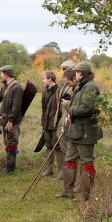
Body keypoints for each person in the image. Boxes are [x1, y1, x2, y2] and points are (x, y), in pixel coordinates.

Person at [55, 61, 101, 201]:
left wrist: (71, 109)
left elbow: (88, 108)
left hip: (86, 132)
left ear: (81, 73)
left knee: (87, 162)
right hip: (75, 131)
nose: (75, 75)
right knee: (69, 160)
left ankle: (84, 195)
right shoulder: (80, 86)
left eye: (76, 72)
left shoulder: (91, 87)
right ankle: (67, 191)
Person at [0, 65, 24, 173]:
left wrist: (11, 120)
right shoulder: (5, 86)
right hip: (5, 120)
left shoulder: (17, 87)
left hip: (12, 121)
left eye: (2, 73)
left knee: (12, 143)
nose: (0, 75)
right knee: (7, 142)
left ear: (7, 74)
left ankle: (11, 167)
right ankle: (8, 166)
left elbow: (16, 106)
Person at [53, 67, 76, 180]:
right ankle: (64, 174)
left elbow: (73, 107)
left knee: (69, 151)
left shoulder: (74, 88)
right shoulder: (64, 87)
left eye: (66, 69)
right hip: (61, 121)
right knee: (63, 150)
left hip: (69, 123)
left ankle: (70, 177)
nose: (63, 72)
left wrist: (66, 103)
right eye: (63, 69)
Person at [40, 71, 62, 176]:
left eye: (44, 78)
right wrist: (43, 122)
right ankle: (49, 170)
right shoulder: (44, 92)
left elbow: (61, 109)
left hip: (56, 124)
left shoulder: (59, 91)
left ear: (50, 79)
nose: (43, 80)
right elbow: (43, 109)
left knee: (57, 147)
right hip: (47, 124)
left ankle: (61, 172)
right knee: (48, 145)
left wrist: (58, 123)